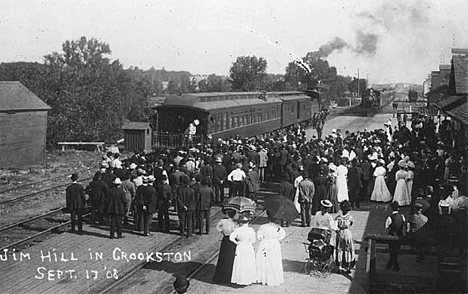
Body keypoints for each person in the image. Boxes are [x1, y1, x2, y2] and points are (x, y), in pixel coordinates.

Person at [256, 213, 286, 286]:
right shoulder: (278, 227)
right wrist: (277, 238)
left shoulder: (263, 227)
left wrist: (263, 238)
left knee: (265, 261)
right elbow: (282, 235)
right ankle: (274, 278)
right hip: (274, 245)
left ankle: (264, 278)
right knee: (274, 260)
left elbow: (259, 236)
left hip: (265, 243)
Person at [230, 213, 257, 285]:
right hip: (248, 246)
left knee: (240, 262)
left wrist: (236, 242)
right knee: (248, 262)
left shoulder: (237, 230)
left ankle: (240, 279)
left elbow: (231, 238)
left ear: (241, 222)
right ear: (248, 222)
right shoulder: (251, 230)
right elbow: (253, 241)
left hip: (240, 246)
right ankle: (248, 279)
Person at [213, 209, 238, 284]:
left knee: (223, 257)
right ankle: (229, 277)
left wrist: (223, 233)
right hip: (232, 241)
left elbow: (218, 228)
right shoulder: (235, 222)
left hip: (225, 240)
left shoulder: (223, 221)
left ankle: (220, 277)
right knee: (231, 258)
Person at [335, 201, 356, 273]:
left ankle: (339, 267)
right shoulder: (350, 217)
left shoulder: (338, 218)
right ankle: (348, 267)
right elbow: (352, 224)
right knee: (348, 250)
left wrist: (338, 230)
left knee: (339, 250)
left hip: (340, 233)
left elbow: (335, 226)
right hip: (347, 233)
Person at [385, 201, 406, 271]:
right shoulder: (402, 216)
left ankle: (392, 263)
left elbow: (386, 226)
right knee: (396, 250)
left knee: (392, 250)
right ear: (398, 208)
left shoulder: (390, 218)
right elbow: (403, 223)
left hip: (391, 236)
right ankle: (394, 263)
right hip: (399, 236)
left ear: (391, 208)